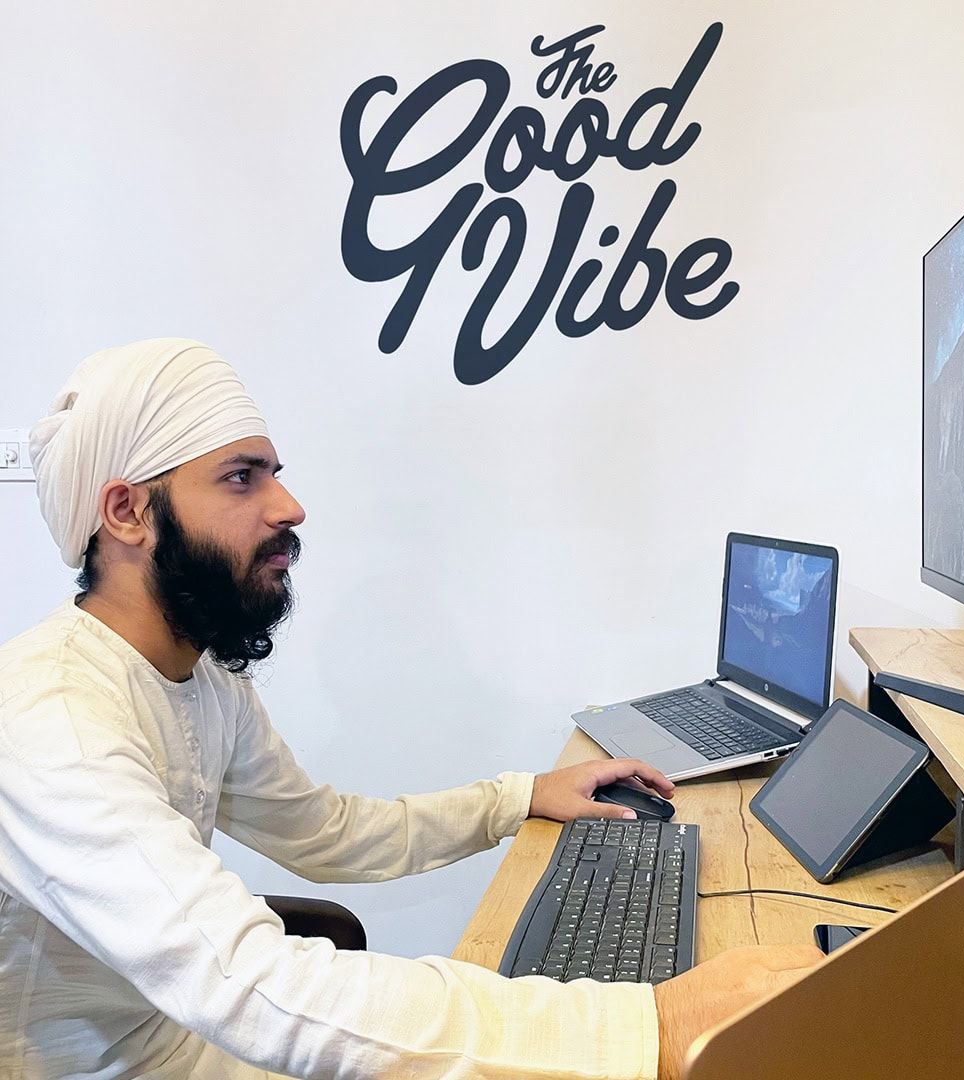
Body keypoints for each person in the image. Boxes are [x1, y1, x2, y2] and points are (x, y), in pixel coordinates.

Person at [0, 338, 820, 1080]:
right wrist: (652, 1026)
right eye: (242, 477)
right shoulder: (51, 718)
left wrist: (518, 797)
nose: (289, 507)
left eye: (275, 473)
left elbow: (325, 833)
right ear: (126, 513)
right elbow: (249, 985)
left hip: (190, 1045)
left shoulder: (203, 676)